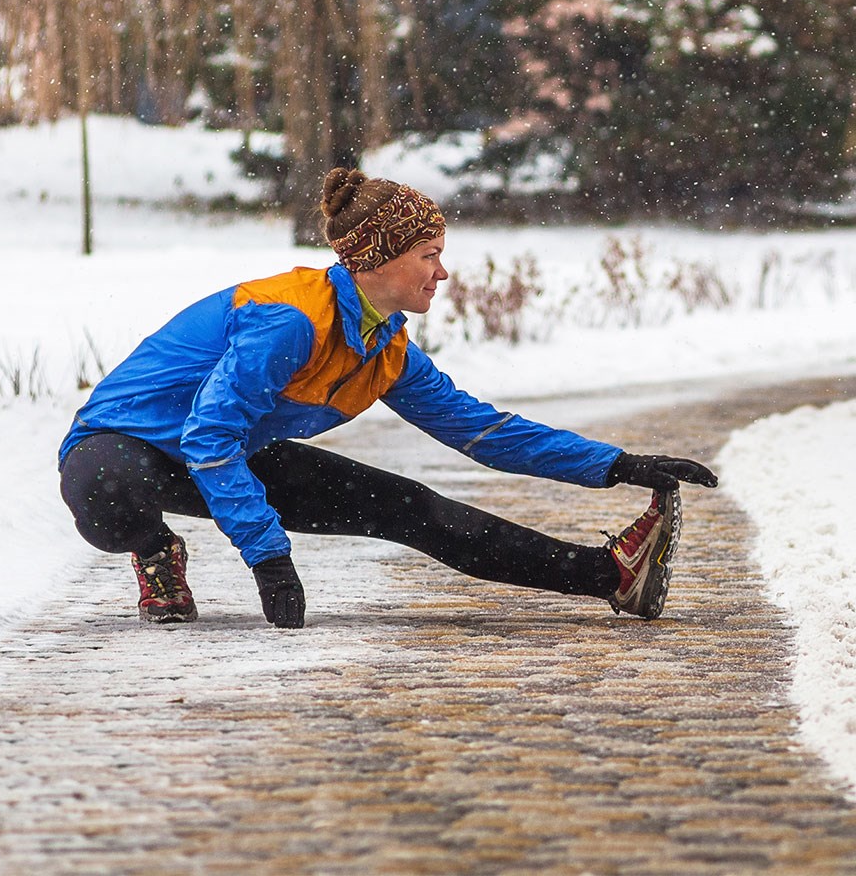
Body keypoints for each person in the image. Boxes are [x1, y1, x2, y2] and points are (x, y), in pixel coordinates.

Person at [59, 168, 718, 629]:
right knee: (108, 495)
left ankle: (611, 576)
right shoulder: (290, 321)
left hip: (225, 452)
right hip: (123, 446)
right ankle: (153, 551)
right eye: (430, 254)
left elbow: (483, 432)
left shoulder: (387, 349)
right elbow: (208, 436)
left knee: (415, 510)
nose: (443, 271)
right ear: (377, 261)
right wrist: (269, 558)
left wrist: (618, 466)